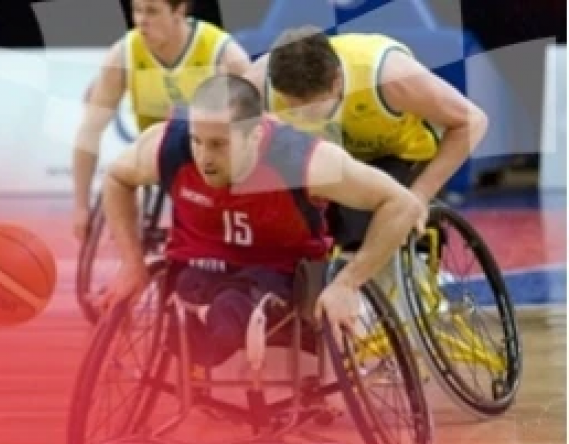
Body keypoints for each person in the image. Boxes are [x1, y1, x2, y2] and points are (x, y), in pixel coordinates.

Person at [100, 74, 423, 366]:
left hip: (281, 278)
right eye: (197, 141)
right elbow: (116, 178)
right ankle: (207, 324)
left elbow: (401, 203)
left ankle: (221, 325)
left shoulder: (302, 160)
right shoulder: (167, 146)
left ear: (255, 136)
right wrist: (132, 263)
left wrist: (348, 283)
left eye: (218, 145)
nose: (203, 157)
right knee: (193, 309)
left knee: (230, 309)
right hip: (198, 270)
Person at [245, 26, 489, 251]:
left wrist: (420, 196)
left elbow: (472, 121)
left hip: (401, 155)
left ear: (337, 81)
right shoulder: (257, 83)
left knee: (365, 233)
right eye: (293, 108)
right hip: (326, 158)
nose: (304, 115)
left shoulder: (390, 76)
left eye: (312, 106)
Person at [71, 0, 251, 241]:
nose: (141, 21)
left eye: (152, 11)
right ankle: (131, 264)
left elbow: (255, 124)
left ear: (179, 11)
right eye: (137, 10)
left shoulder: (223, 53)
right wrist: (81, 206)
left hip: (209, 152)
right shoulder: (123, 54)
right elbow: (89, 132)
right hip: (156, 150)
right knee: (118, 176)